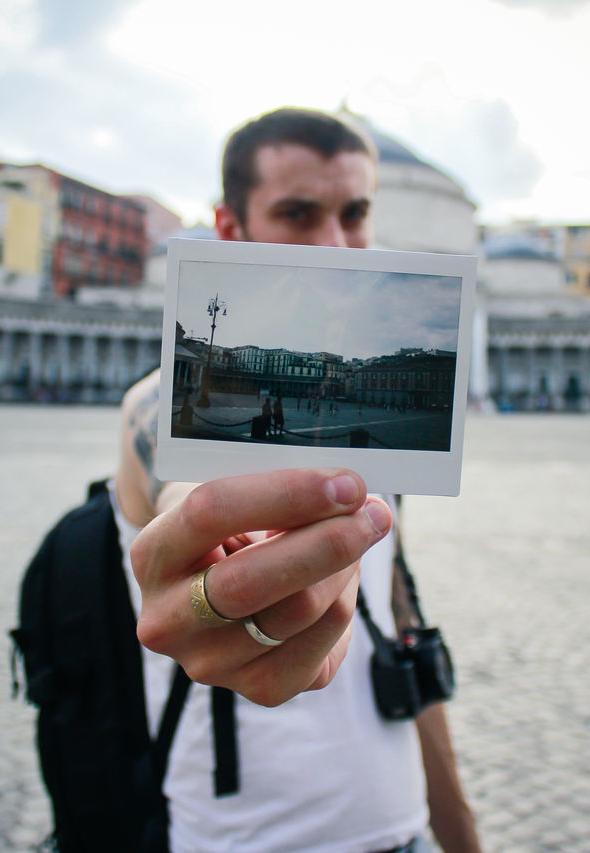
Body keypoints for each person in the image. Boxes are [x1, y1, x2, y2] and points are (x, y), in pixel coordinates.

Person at [113, 107, 481, 852]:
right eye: (298, 214)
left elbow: (396, 628)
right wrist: (208, 563)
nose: (335, 245)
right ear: (228, 226)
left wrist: (462, 836)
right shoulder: (155, 407)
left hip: (399, 831)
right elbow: (184, 489)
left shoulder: (378, 454)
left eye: (354, 214)